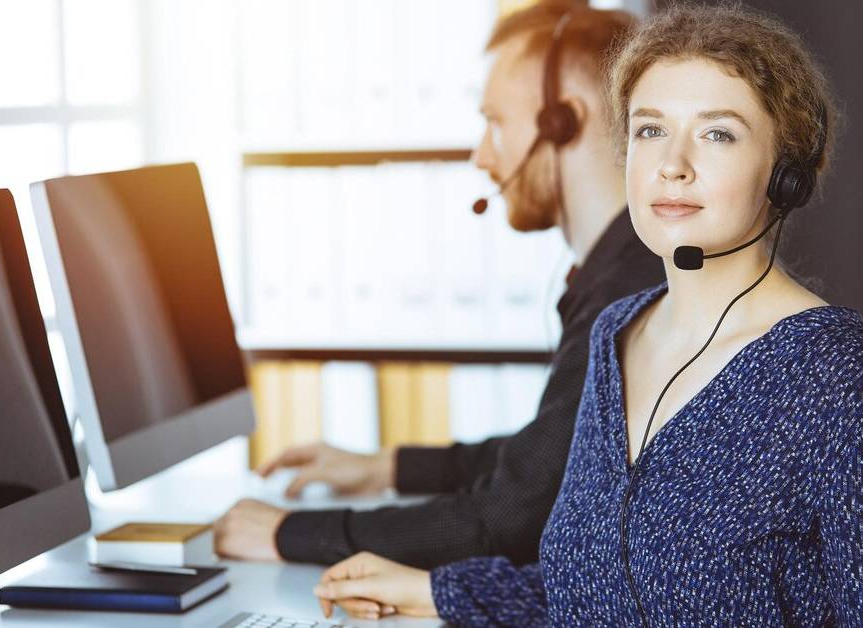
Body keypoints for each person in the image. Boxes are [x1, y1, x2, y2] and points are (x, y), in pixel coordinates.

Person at [311, 4, 863, 625]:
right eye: (650, 130)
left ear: (784, 174)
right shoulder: (616, 333)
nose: (672, 164)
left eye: (717, 133)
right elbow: (591, 586)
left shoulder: (834, 374)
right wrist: (437, 592)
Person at [213, 0, 665, 576]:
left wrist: (289, 532)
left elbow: (504, 520)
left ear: (562, 123)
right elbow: (546, 457)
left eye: (495, 122)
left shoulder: (627, 295)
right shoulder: (624, 267)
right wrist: (389, 467)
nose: (481, 154)